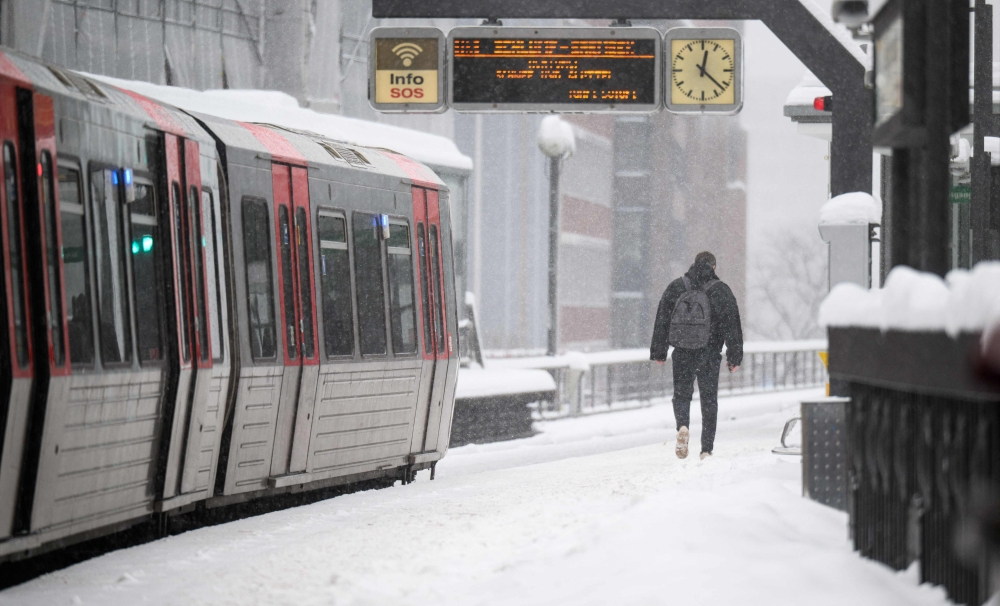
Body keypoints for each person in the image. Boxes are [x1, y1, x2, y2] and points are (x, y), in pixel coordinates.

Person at [650, 251, 743, 460]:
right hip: (709, 353)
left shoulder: (677, 286)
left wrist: (659, 351)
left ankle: (683, 426)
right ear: (713, 267)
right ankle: (706, 449)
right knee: (709, 400)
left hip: (682, 352)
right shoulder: (721, 290)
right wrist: (734, 357)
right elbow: (732, 325)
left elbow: (662, 318)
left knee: (681, 395)